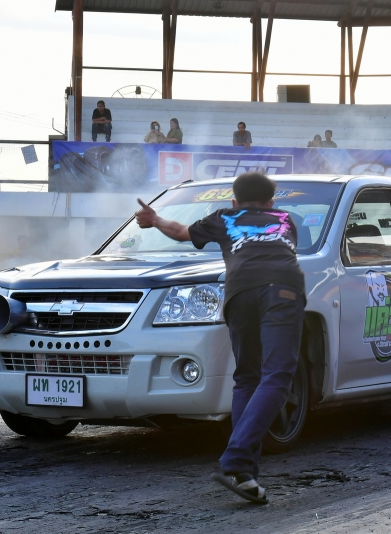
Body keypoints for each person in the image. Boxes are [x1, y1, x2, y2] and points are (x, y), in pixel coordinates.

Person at [134, 172, 305, 505]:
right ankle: (238, 458)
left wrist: (154, 219)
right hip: (282, 291)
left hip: (239, 293)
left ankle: (245, 474)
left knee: (247, 378)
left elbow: (180, 232)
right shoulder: (287, 220)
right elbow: (278, 256)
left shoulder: (224, 217)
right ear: (272, 203)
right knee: (277, 375)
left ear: (233, 201)